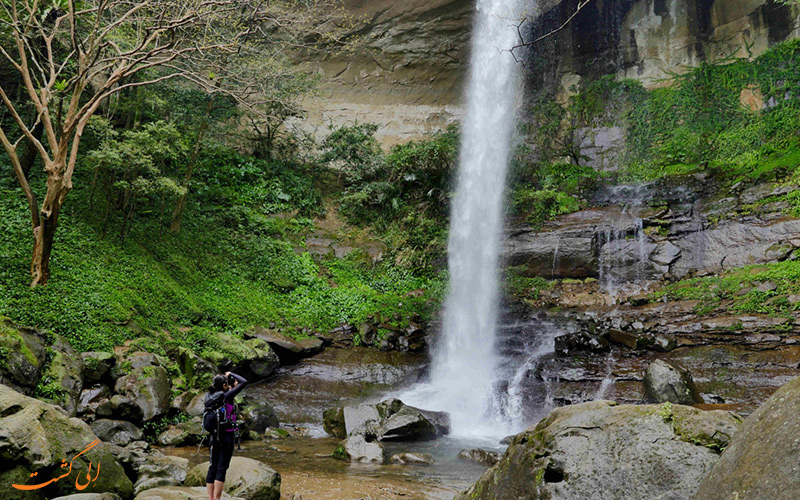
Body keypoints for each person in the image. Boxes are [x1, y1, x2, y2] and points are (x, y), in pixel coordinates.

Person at [206, 371, 247, 500]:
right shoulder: (227, 396)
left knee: (213, 466)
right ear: (224, 385)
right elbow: (244, 382)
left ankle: (210, 498)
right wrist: (232, 373)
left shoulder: (210, 397)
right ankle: (217, 499)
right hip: (227, 436)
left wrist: (230, 385)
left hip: (214, 436)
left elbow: (226, 394)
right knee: (222, 467)